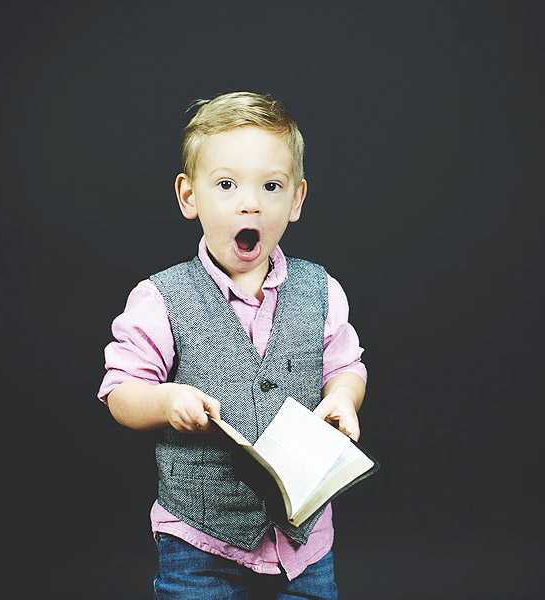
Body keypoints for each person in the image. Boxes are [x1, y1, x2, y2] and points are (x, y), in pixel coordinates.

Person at [98, 91, 366, 599]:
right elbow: (120, 392)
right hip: (200, 540)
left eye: (271, 186)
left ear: (297, 199)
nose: (251, 203)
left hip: (303, 538)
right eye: (226, 185)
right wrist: (165, 399)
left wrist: (343, 397)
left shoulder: (322, 290)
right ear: (188, 197)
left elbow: (347, 365)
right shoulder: (161, 297)